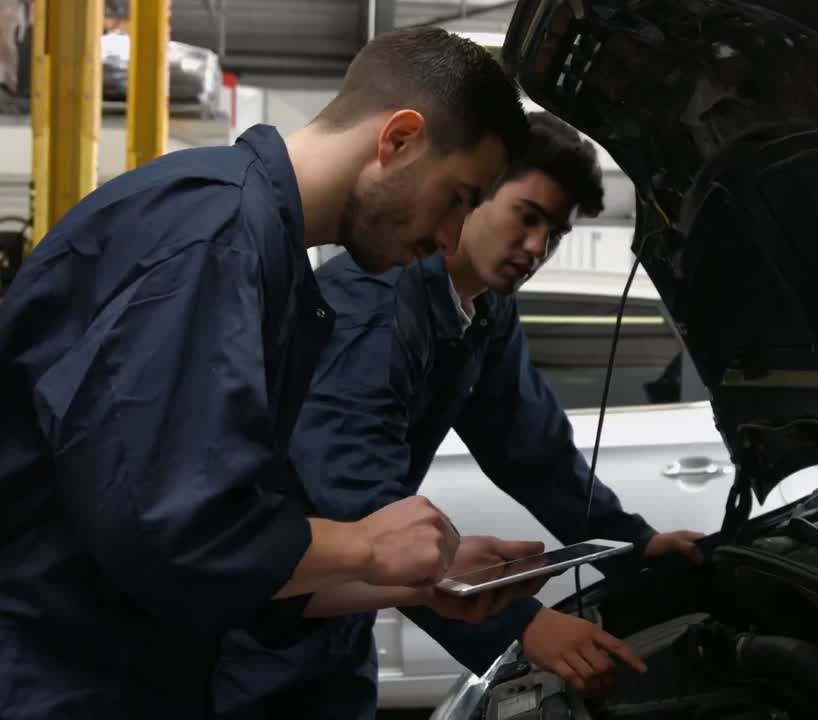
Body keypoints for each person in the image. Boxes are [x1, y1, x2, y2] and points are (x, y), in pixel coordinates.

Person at [0, 26, 545, 719]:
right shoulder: (214, 237)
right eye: (457, 198)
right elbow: (173, 533)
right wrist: (364, 544)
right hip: (49, 675)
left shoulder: (264, 258)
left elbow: (235, 561)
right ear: (400, 139)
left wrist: (423, 580)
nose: (450, 238)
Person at [210, 112, 707, 719]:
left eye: (554, 233)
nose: (537, 248)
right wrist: (523, 624)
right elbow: (358, 499)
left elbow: (533, 450)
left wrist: (637, 541)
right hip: (255, 618)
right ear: (473, 194)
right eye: (527, 216)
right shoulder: (374, 308)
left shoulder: (483, 311)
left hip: (339, 614)